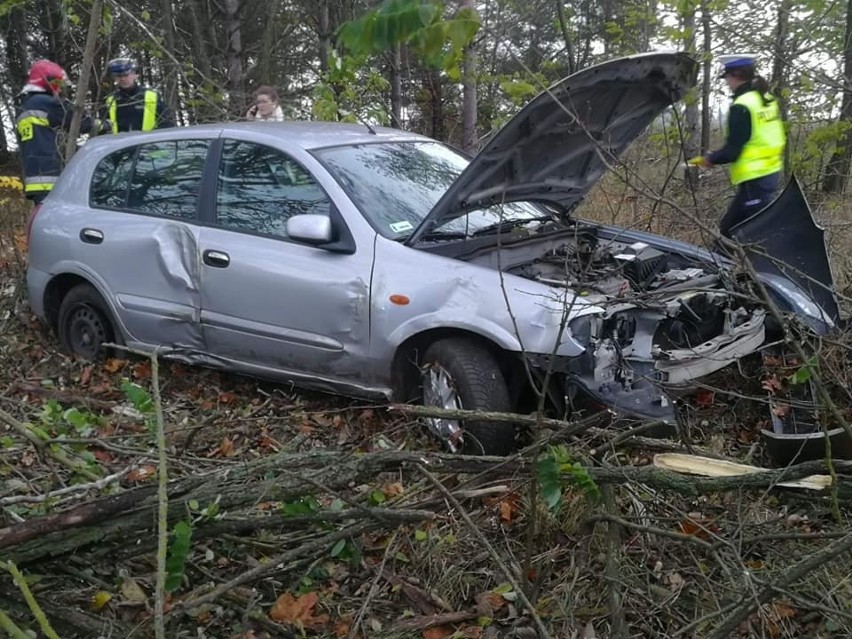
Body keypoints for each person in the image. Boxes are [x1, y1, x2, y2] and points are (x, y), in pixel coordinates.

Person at [690, 54, 786, 237]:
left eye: (727, 77)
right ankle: (726, 262)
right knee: (734, 228)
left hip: (755, 177)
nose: (726, 82)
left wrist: (710, 159)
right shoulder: (765, 98)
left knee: (738, 231)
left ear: (735, 75)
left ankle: (723, 264)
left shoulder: (742, 106)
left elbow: (733, 150)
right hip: (770, 172)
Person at [15, 60, 106, 204]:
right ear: (45, 82)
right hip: (53, 176)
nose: (59, 89)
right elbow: (79, 120)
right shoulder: (47, 103)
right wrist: (103, 125)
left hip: (34, 179)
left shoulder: (24, 106)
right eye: (56, 83)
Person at [102, 57, 174, 132]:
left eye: (126, 75)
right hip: (121, 143)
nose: (123, 79)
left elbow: (167, 123)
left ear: (134, 74)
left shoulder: (152, 96)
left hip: (149, 142)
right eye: (119, 76)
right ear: (114, 78)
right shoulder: (110, 101)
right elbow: (104, 127)